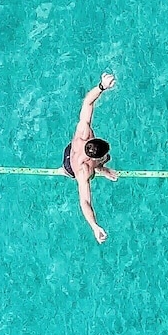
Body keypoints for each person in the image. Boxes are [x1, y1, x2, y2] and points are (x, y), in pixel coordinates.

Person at [64, 73, 119, 243]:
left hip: (73, 148)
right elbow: (85, 202)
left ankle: (102, 167)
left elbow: (88, 102)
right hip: (72, 166)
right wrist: (95, 227)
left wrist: (102, 86)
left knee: (104, 160)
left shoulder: (83, 132)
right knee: (99, 165)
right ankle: (100, 168)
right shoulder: (84, 171)